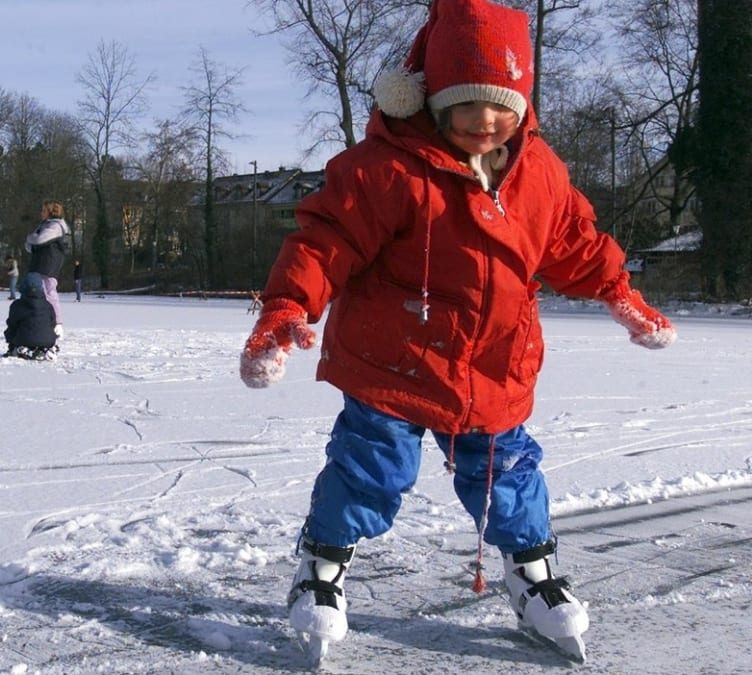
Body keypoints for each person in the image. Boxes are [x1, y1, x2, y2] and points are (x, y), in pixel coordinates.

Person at [239, 0, 677, 663]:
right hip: (396, 360)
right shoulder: (387, 169)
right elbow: (325, 242)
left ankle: (530, 570)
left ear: (523, 103)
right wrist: (285, 310)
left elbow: (577, 244)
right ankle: (320, 566)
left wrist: (620, 293)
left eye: (501, 105)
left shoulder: (541, 175)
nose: (485, 121)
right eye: (466, 105)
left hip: (494, 364)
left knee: (508, 475)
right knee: (371, 466)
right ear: (431, 100)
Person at [25, 200, 70, 336]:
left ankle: (57, 323)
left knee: (50, 293)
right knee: (41, 293)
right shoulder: (45, 225)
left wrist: (30, 238)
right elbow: (29, 246)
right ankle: (44, 322)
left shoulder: (56, 226)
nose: (41, 213)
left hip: (49, 264)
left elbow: (38, 239)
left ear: (51, 212)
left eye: (44, 210)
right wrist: (31, 241)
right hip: (41, 263)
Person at [3, 272, 59, 360]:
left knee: (13, 330)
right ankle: (45, 349)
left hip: (24, 339)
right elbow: (53, 322)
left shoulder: (18, 305)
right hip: (48, 340)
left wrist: (10, 338)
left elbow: (12, 324)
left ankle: (20, 348)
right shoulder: (48, 305)